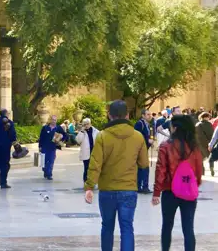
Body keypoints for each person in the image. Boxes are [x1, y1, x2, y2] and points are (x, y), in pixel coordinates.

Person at [84, 100, 149, 251]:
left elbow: (95, 164)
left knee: (107, 226)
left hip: (107, 189)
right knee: (127, 228)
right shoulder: (138, 136)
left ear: (109, 115)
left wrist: (89, 186)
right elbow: (144, 163)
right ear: (127, 115)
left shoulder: (102, 136)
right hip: (128, 189)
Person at [152, 115, 203, 251]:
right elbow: (199, 169)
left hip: (170, 191)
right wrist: (194, 185)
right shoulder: (194, 147)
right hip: (188, 191)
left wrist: (156, 192)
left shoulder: (166, 146)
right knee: (188, 227)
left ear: (174, 128)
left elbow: (160, 170)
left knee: (167, 225)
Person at [38, 115, 67, 181]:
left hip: (53, 147)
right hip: (44, 147)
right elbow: (41, 137)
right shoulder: (45, 128)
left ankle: (49, 174)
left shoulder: (58, 128)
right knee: (44, 161)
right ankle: (45, 171)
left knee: (51, 160)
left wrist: (61, 137)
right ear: (50, 120)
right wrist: (40, 146)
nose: (54, 121)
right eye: (53, 120)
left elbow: (65, 135)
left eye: (55, 120)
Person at [76, 118, 100, 183]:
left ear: (90, 124)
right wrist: (81, 132)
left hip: (94, 153)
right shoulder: (82, 132)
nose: (86, 126)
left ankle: (93, 181)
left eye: (87, 124)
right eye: (84, 124)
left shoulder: (96, 131)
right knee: (86, 168)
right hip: (86, 153)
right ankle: (86, 182)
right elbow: (78, 141)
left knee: (94, 169)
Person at [134, 109, 153, 194]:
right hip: (140, 149)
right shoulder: (139, 124)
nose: (150, 116)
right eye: (148, 114)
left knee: (142, 168)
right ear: (143, 115)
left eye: (150, 114)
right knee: (144, 168)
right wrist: (147, 141)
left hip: (145, 149)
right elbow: (136, 136)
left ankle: (140, 186)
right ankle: (143, 187)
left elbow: (149, 135)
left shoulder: (148, 124)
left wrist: (150, 142)